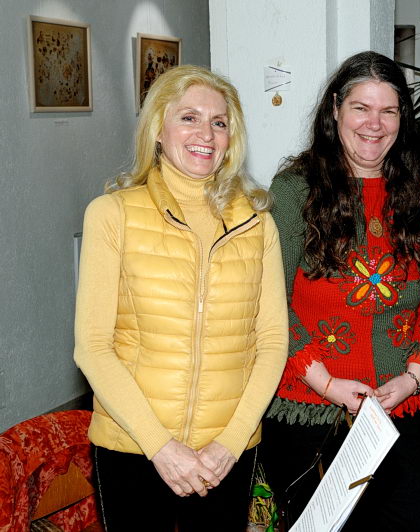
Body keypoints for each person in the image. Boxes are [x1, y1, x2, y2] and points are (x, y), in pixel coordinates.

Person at [74, 65, 289, 531]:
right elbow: (92, 347)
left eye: (219, 122)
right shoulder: (112, 215)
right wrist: (161, 447)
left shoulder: (258, 224)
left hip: (225, 456)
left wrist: (231, 443)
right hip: (133, 447)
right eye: (189, 117)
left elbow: (272, 343)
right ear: (158, 128)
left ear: (231, 137)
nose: (206, 134)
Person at [261, 51, 420, 530]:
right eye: (361, 108)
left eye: (389, 111)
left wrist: (414, 376)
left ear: (403, 119)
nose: (374, 124)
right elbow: (268, 301)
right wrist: (326, 383)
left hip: (403, 411)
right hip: (310, 413)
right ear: (335, 110)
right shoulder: (294, 191)